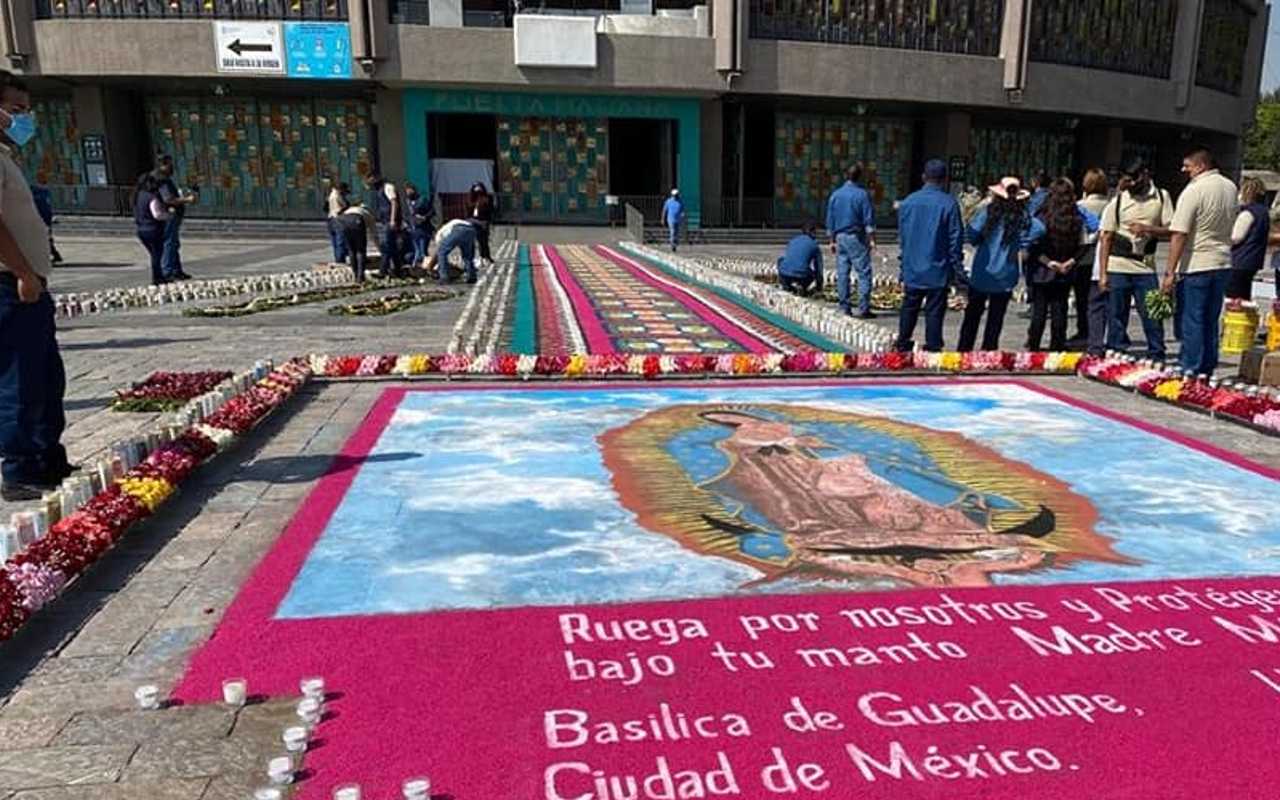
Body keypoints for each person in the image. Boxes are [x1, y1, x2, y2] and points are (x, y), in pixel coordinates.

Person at [0, 71, 73, 501]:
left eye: (26, 111)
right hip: (11, 284)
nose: (23, 119)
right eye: (15, 110)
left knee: (47, 375)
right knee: (19, 379)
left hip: (29, 285)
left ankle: (47, 457)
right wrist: (25, 273)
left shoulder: (7, 156)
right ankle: (21, 467)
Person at [1162, 146, 1238, 376]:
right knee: (1210, 318)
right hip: (1223, 260)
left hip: (1197, 262)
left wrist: (1169, 271)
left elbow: (1179, 233)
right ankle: (1207, 365)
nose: (1184, 170)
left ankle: (1190, 367)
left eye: (1188, 166)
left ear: (1201, 165)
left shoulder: (1194, 190)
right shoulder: (1230, 187)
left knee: (1192, 318)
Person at [1098, 159, 1173, 361]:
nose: (1130, 183)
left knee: (1151, 314)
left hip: (1145, 266)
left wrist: (1148, 229)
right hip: (1118, 264)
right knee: (1116, 314)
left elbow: (1172, 230)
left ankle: (1156, 352)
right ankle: (1116, 350)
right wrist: (1103, 274)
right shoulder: (1119, 200)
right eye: (1127, 180)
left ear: (1145, 174)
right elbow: (1106, 237)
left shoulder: (1161, 197)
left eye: (1134, 179)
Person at [957, 177, 1043, 352]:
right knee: (996, 318)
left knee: (972, 315)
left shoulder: (988, 213)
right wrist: (1023, 242)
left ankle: (964, 350)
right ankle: (989, 351)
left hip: (983, 271)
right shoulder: (1022, 217)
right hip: (1006, 273)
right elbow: (1040, 228)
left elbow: (972, 235)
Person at [894, 158, 965, 352]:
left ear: (924, 177)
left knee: (909, 307)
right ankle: (933, 346)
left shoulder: (908, 202)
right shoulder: (949, 204)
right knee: (934, 310)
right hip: (937, 267)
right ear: (944, 179)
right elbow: (955, 240)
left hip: (912, 265)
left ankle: (903, 343)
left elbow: (903, 238)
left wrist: (903, 264)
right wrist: (957, 269)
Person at [1027, 178, 1094, 351]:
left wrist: (1049, 262)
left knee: (1039, 312)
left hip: (1043, 270)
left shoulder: (1042, 216)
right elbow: (1085, 244)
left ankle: (1033, 346)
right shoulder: (1076, 217)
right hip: (1066, 270)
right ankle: (1057, 347)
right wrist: (1071, 262)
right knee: (1060, 311)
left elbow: (1032, 245)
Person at [825, 164, 877, 318]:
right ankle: (863, 307)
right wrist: (872, 240)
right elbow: (868, 221)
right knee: (864, 272)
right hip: (856, 237)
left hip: (840, 237)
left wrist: (831, 240)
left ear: (845, 176)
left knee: (842, 273)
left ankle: (844, 307)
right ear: (860, 177)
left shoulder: (836, 195)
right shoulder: (862, 195)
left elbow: (830, 219)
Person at [1077, 169, 1110, 354]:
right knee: (1100, 300)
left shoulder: (1081, 205)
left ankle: (1084, 331)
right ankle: (1098, 333)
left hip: (1083, 256)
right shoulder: (1111, 205)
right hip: (1102, 258)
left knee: (1084, 299)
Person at [153, 154, 196, 282]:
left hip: (170, 215)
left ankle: (176, 270)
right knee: (170, 243)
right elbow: (168, 199)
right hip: (168, 215)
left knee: (174, 243)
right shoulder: (161, 179)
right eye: (170, 164)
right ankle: (168, 271)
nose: (172, 167)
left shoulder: (161, 177)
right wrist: (187, 199)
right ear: (164, 165)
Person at [1227, 176, 1269, 300]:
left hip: (1240, 261)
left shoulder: (1247, 213)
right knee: (1245, 295)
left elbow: (1235, 237)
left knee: (1234, 297)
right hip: (1254, 260)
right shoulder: (1263, 212)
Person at [134, 173, 170, 286]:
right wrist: (169, 215)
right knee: (156, 254)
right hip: (153, 229)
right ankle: (157, 277)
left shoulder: (138, 196)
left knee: (154, 254)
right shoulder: (151, 197)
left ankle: (159, 276)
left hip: (141, 229)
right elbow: (157, 214)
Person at [367, 173, 405, 278]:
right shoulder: (379, 190)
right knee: (392, 247)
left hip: (390, 221)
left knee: (386, 246)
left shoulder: (388, 187)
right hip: (385, 220)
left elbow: (394, 203)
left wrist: (393, 220)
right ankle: (398, 270)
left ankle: (382, 271)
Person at [425, 217, 480, 285]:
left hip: (458, 229)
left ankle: (444, 277)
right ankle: (472, 276)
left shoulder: (439, 235)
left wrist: (430, 267)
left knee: (442, 253)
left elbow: (439, 253)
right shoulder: (449, 225)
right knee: (467, 256)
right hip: (471, 230)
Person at [775, 220, 824, 295]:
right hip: (802, 276)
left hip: (785, 273)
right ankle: (802, 286)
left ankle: (786, 285)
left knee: (780, 261)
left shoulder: (793, 240)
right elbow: (819, 268)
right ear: (812, 232)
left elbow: (790, 257)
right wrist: (819, 286)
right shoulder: (814, 245)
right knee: (813, 272)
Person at [336, 203, 377, 283]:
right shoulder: (367, 214)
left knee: (351, 250)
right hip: (356, 221)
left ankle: (355, 274)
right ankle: (360, 276)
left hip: (343, 222)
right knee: (360, 250)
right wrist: (379, 248)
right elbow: (374, 233)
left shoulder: (350, 209)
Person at [405, 182, 433, 269]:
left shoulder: (422, 200)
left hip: (424, 229)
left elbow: (432, 211)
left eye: (410, 190)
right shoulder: (408, 201)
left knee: (422, 251)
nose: (408, 193)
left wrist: (424, 217)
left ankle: (426, 267)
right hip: (414, 229)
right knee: (416, 250)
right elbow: (408, 214)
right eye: (407, 191)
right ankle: (418, 267)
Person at [469, 182, 494, 264]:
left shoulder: (487, 198)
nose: (478, 193)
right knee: (478, 240)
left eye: (479, 191)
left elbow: (490, 210)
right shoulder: (472, 199)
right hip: (474, 221)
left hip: (483, 221)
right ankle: (481, 256)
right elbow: (469, 211)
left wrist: (487, 221)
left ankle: (487, 256)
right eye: (476, 191)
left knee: (484, 240)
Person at [326, 180, 350, 264]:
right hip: (338, 219)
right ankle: (340, 261)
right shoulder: (337, 195)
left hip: (330, 219)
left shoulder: (330, 195)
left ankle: (338, 259)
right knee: (340, 242)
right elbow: (344, 206)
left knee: (335, 243)